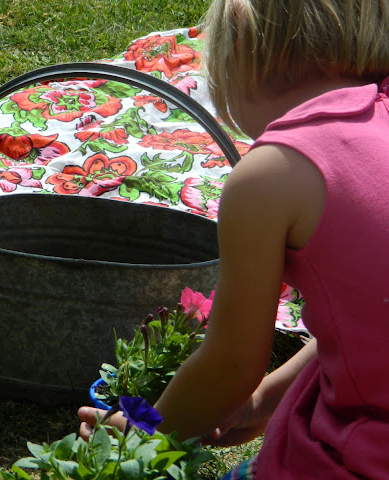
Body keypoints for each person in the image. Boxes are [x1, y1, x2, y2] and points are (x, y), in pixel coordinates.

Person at [78, 1, 389, 478]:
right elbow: (365, 332)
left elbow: (230, 366)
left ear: (241, 42)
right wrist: (262, 401)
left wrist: (141, 441)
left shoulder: (274, 173)